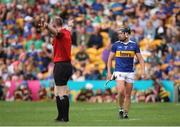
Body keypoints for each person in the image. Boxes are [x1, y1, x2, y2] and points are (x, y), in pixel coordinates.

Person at [39, 16, 73, 122]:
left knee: (61, 91)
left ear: (54, 24)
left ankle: (65, 117)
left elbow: (56, 33)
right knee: (58, 91)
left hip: (61, 65)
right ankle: (60, 116)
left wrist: (46, 26)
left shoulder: (61, 33)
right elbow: (64, 30)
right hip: (65, 65)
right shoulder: (67, 32)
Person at [107, 27, 145, 119]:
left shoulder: (134, 45)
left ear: (126, 34)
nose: (119, 35)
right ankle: (120, 108)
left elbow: (140, 59)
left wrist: (143, 71)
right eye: (118, 34)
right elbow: (109, 59)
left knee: (128, 95)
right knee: (120, 91)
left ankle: (126, 113)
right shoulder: (116, 45)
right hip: (119, 71)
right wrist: (109, 72)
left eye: (121, 33)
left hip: (130, 73)